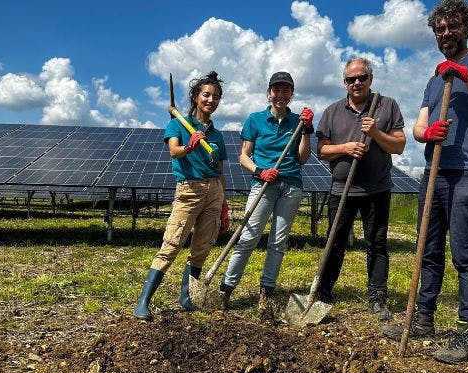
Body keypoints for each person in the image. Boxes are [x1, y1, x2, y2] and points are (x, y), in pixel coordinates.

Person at [383, 0, 468, 364]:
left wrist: (466, 76)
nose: (446, 34)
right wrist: (427, 134)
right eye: (440, 29)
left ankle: (467, 331)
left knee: (464, 252)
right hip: (434, 171)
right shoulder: (434, 79)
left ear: (466, 27)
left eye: (452, 27)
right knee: (428, 248)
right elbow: (419, 126)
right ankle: (423, 320)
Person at [315, 58, 406, 321]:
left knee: (376, 244)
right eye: (351, 79)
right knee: (334, 243)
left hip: (377, 189)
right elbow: (322, 150)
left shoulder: (387, 106)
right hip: (341, 189)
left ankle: (377, 298)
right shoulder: (332, 111)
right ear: (344, 82)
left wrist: (376, 132)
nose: (357, 83)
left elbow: (398, 146)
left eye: (362, 77)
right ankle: (323, 293)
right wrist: (345, 148)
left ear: (370, 79)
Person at [134, 71, 230, 320]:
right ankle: (144, 301)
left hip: (214, 192)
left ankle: (186, 297)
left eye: (216, 97)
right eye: (206, 95)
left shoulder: (217, 135)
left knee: (202, 247)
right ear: (196, 97)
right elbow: (174, 151)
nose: (211, 100)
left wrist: (224, 204)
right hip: (189, 190)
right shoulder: (177, 123)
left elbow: (220, 171)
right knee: (172, 244)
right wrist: (190, 146)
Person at [218, 71, 313, 319]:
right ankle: (226, 288)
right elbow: (243, 156)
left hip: (291, 185)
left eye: (286, 90)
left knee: (278, 242)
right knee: (247, 237)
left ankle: (266, 292)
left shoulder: (298, 122)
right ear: (269, 93)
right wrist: (260, 171)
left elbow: (302, 159)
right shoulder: (255, 120)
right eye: (276, 90)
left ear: (291, 94)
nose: (280, 95)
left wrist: (306, 131)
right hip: (263, 185)